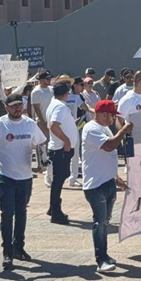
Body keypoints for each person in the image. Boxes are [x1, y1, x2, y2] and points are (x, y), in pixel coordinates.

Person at [0, 92, 46, 270]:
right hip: (4, 175)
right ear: (6, 107)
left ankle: (18, 247)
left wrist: (42, 161)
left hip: (25, 176)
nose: (17, 109)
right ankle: (7, 251)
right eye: (13, 106)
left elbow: (40, 143)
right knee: (7, 213)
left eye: (20, 105)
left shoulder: (30, 123)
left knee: (21, 212)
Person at [81, 100, 132, 272]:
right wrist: (123, 130)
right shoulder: (92, 129)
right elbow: (110, 146)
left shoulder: (104, 128)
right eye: (112, 116)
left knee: (105, 221)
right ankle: (101, 259)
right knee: (100, 222)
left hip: (108, 182)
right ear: (104, 114)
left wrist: (117, 179)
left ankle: (104, 255)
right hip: (96, 185)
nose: (113, 119)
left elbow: (106, 158)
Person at [45, 81, 77, 224]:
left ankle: (53, 207)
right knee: (58, 180)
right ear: (65, 94)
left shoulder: (54, 104)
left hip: (59, 148)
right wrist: (67, 141)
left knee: (59, 178)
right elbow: (53, 125)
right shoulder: (60, 106)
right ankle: (56, 210)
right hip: (61, 149)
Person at [30, 71, 54, 176]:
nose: (49, 80)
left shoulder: (52, 89)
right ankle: (41, 165)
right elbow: (37, 108)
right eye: (47, 78)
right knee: (41, 144)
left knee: (50, 144)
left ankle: (50, 166)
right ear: (41, 80)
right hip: (41, 121)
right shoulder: (36, 92)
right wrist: (43, 122)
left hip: (52, 121)